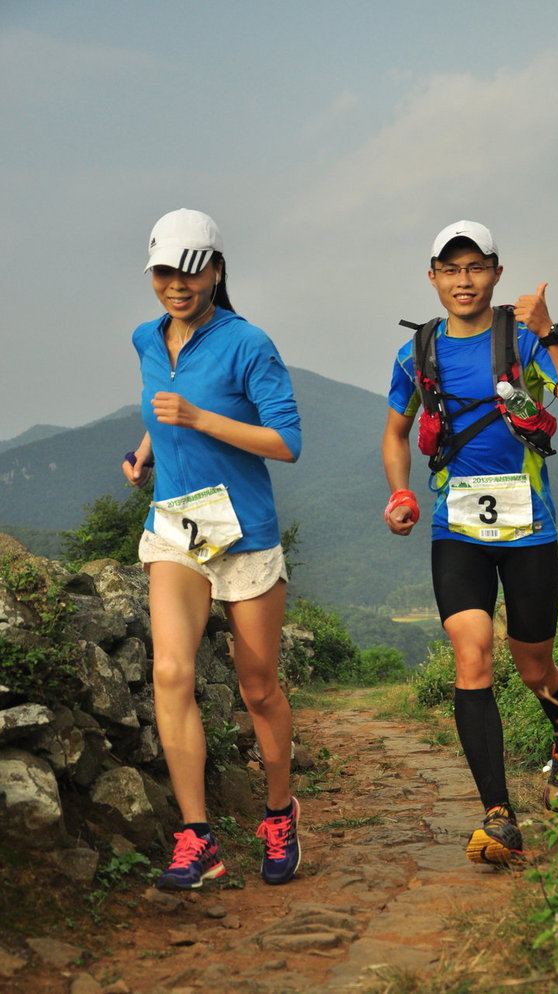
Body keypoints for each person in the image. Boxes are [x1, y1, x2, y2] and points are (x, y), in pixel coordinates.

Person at [382, 220, 558, 866]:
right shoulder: (417, 354)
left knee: (534, 666)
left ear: (497, 273)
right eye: (450, 270)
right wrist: (400, 493)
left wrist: (550, 334)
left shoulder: (523, 341)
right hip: (458, 531)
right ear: (433, 279)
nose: (463, 280)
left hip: (530, 527)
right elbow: (397, 434)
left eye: (475, 267)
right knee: (471, 653)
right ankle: (499, 816)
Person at [122, 208, 302, 889]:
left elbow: (287, 442)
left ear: (216, 271)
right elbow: (157, 404)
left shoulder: (248, 343)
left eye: (191, 270)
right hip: (177, 528)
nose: (177, 283)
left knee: (257, 689)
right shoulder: (146, 338)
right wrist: (142, 451)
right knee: (172, 672)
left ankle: (280, 812)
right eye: (165, 270)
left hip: (243, 534)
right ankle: (197, 836)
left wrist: (199, 418)